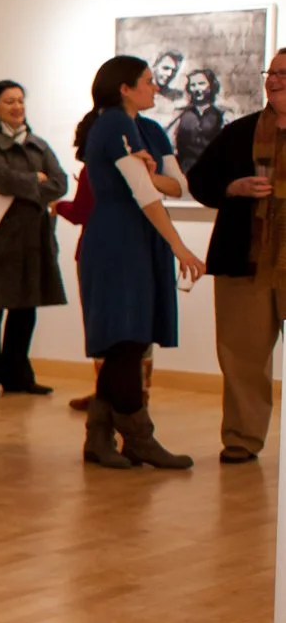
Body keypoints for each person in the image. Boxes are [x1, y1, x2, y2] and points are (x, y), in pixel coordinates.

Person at [77, 55, 205, 470]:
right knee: (125, 340)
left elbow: (173, 184)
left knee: (128, 342)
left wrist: (150, 178)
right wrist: (180, 247)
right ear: (124, 88)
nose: (155, 88)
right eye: (148, 82)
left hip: (133, 239)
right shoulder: (114, 123)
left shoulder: (138, 127)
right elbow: (146, 194)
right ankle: (138, 439)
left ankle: (100, 437)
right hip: (118, 241)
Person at [186, 48, 286, 463]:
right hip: (243, 261)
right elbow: (201, 182)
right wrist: (233, 188)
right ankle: (242, 439)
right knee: (242, 358)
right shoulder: (239, 132)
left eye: (284, 73)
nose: (274, 79)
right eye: (271, 72)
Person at [0, 80, 67, 399]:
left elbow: (61, 183)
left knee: (26, 307)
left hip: (33, 238)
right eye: (9, 101)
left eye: (21, 101)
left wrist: (30, 183)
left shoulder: (38, 143)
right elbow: (0, 178)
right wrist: (35, 181)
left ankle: (17, 375)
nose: (17, 107)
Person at [175, 67, 228, 175]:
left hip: (212, 170)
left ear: (211, 86)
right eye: (193, 85)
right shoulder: (181, 114)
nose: (197, 88)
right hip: (185, 170)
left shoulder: (221, 115)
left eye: (201, 83)